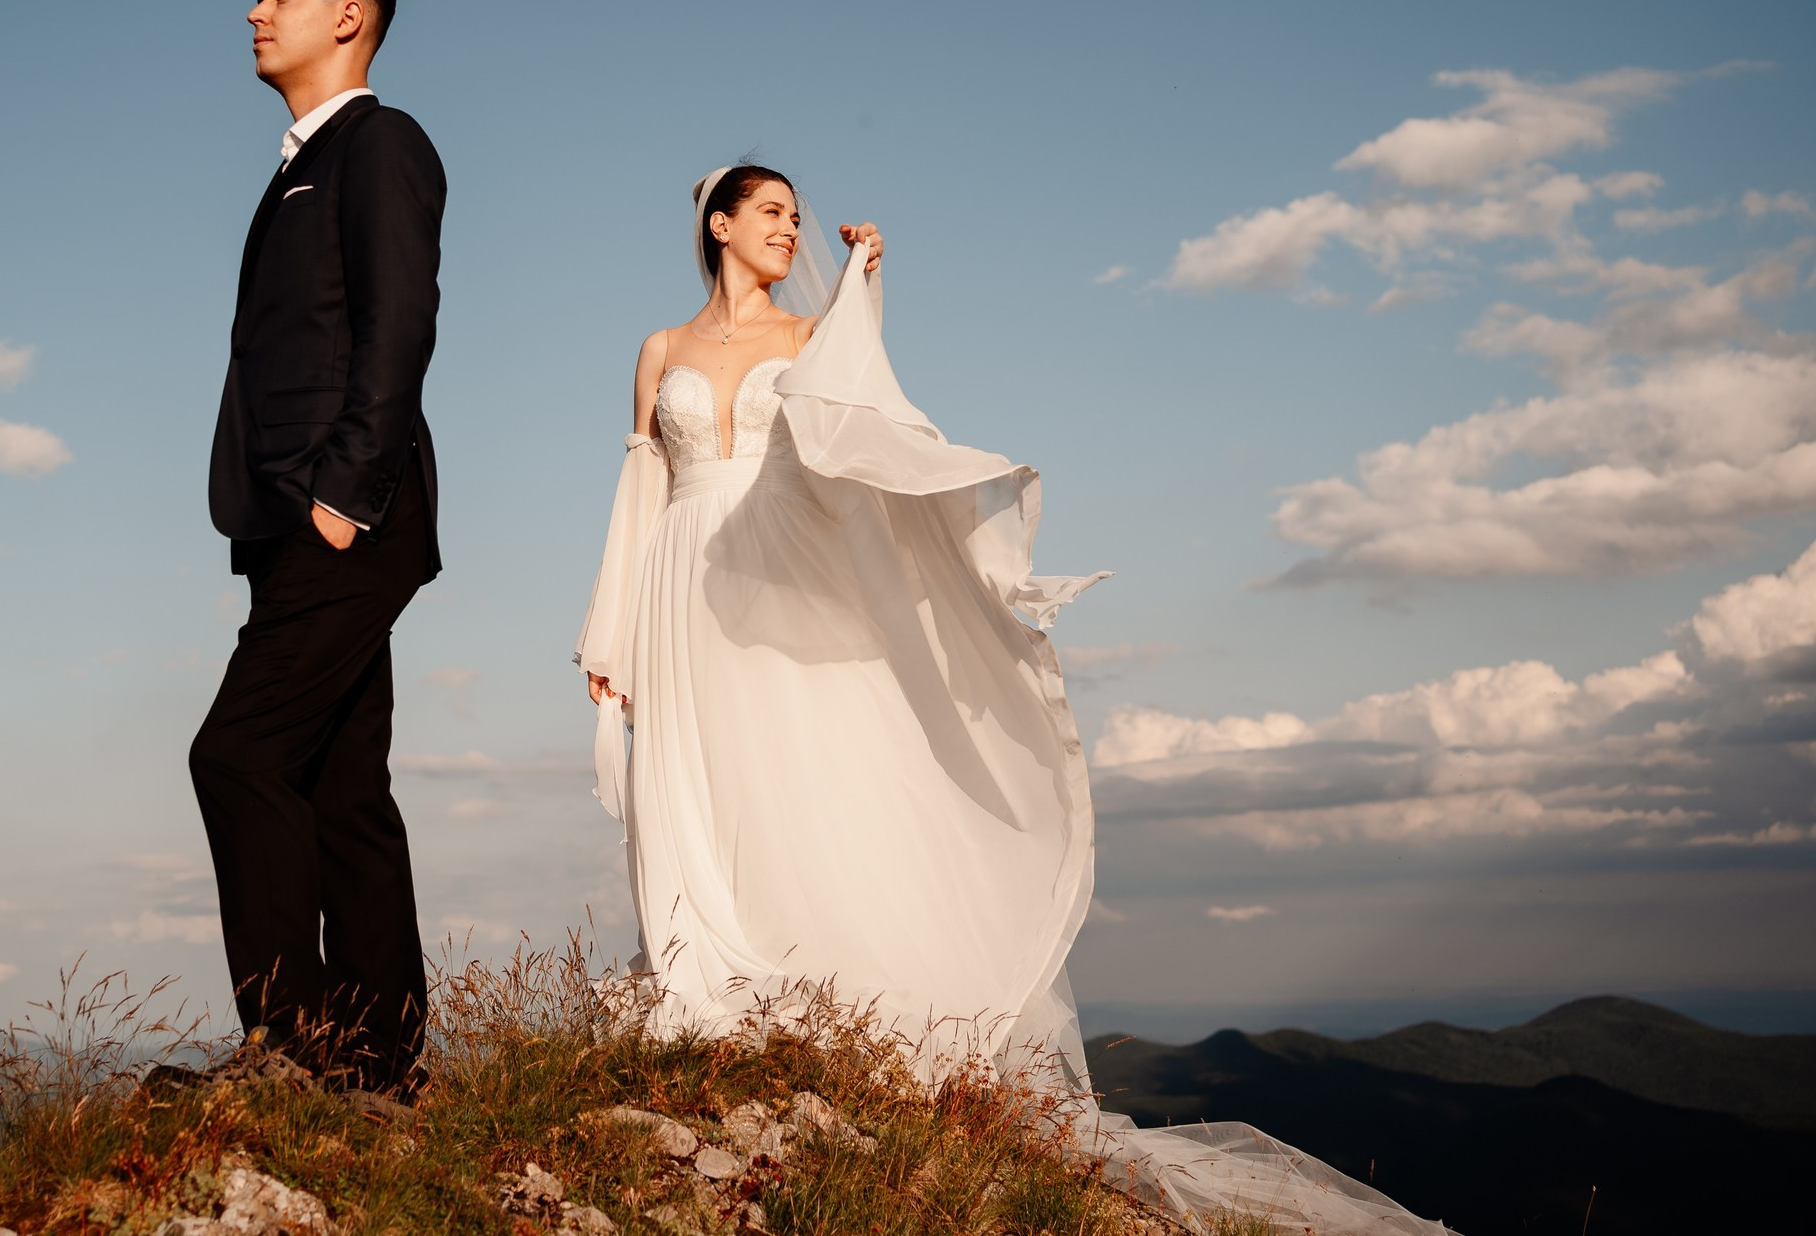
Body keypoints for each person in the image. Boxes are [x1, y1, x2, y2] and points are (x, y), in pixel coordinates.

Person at [575, 165, 1450, 1234]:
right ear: (719, 225)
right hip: (677, 583)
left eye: (795, 218)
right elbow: (641, 486)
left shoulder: (808, 339)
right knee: (688, 782)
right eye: (769, 213)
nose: (786, 228)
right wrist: (608, 629)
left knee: (788, 777)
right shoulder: (657, 351)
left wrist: (861, 285)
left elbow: (871, 434)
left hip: (774, 580)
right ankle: (692, 986)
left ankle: (789, 993)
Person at [192, 0, 443, 1099]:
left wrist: (341, 499)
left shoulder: (377, 146)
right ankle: (377, 1061)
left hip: (346, 514)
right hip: (292, 519)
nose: (253, 10)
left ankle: (291, 1046)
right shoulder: (294, 164)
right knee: (342, 786)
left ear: (348, 19)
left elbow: (399, 327)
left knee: (237, 754)